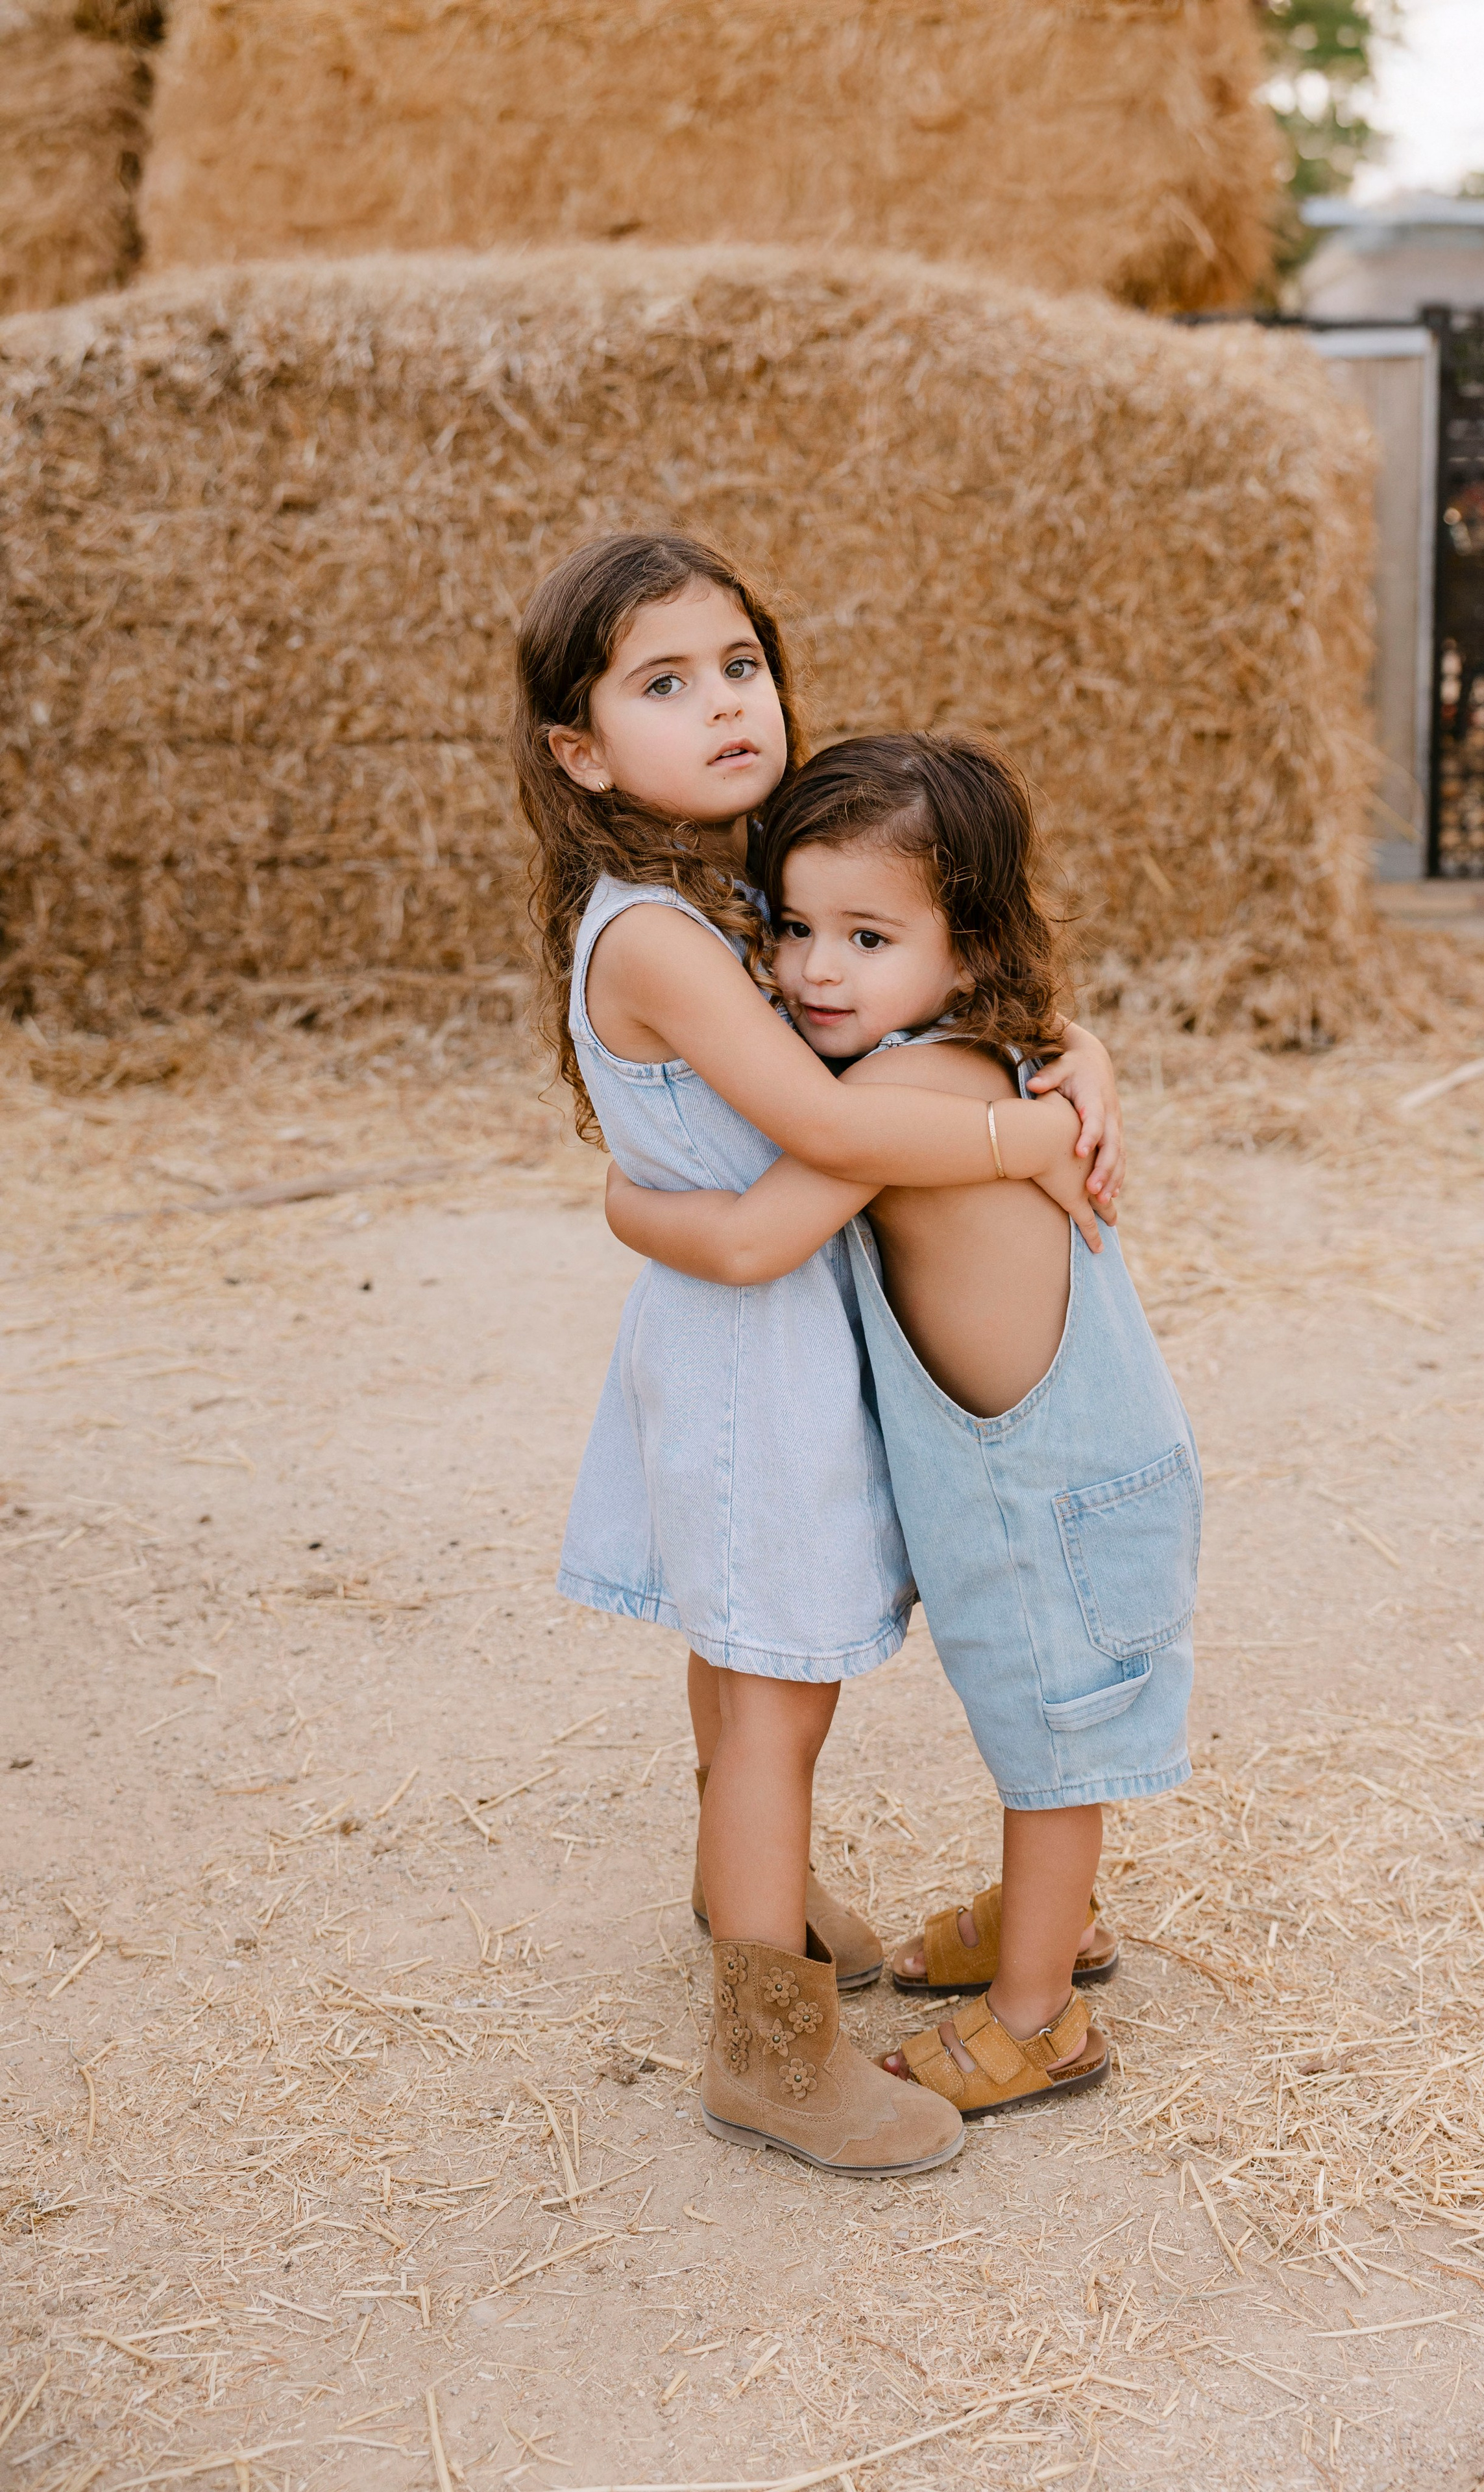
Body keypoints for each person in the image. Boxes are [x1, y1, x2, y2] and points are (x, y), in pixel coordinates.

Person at [513, 538, 1128, 2175]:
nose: (723, 704)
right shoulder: (654, 935)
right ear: (578, 753)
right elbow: (822, 1124)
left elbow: (929, 962)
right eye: (663, 684)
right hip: (746, 1354)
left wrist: (1081, 1055)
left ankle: (753, 1900)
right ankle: (769, 2051)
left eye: (739, 666)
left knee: (742, 1666)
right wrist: (1009, 1130)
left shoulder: (733, 889)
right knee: (776, 1695)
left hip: (746, 1329)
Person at [605, 732, 1199, 2123]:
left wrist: (625, 1208)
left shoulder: (891, 1093)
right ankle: (1049, 1921)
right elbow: (1055, 1038)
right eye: (791, 927)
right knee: (1031, 1721)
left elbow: (754, 1241)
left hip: (1052, 1486)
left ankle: (1036, 2019)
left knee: (1049, 1743)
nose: (815, 970)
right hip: (1050, 1471)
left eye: (866, 936)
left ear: (967, 947)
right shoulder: (972, 1051)